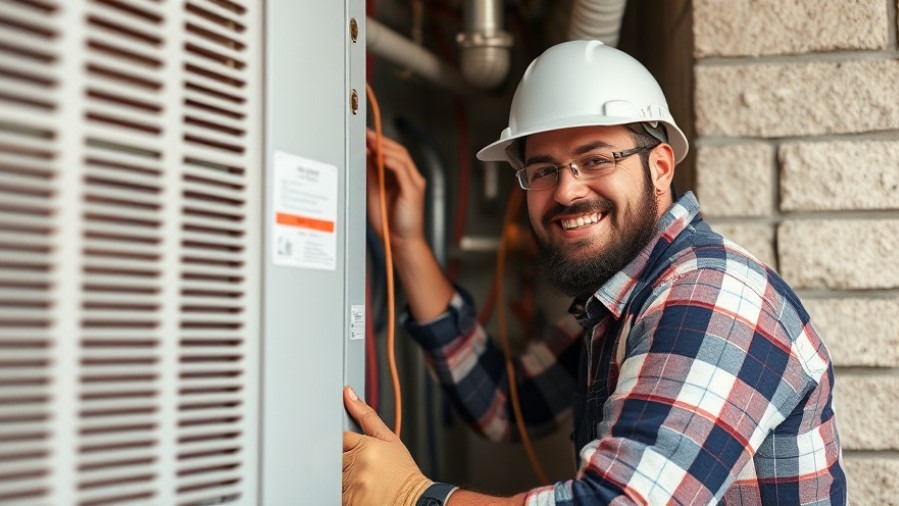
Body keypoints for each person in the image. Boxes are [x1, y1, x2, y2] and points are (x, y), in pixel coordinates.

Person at [342, 40, 847, 505]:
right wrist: (404, 239)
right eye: (543, 170)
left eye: (596, 159)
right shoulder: (621, 300)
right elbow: (502, 403)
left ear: (661, 167)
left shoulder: (709, 294)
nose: (565, 192)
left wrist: (412, 496)